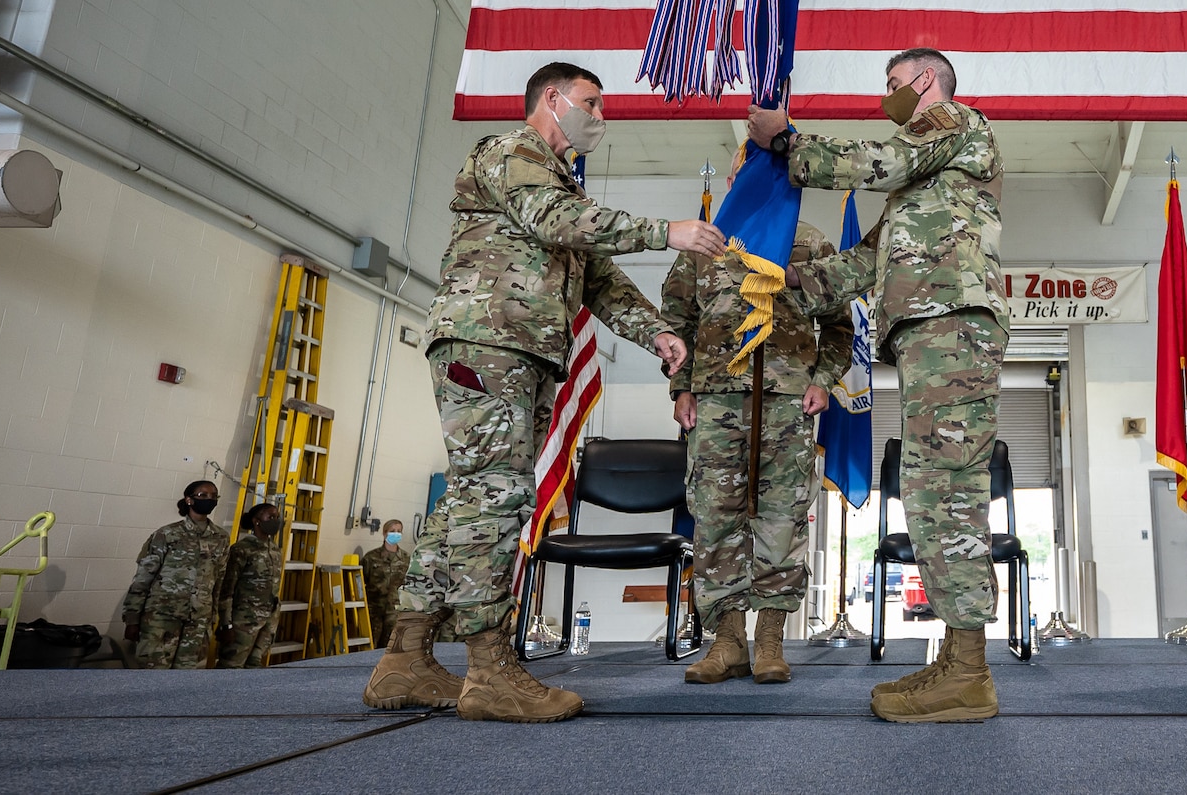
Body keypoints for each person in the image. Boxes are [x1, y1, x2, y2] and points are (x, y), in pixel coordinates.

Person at [363, 61, 722, 724]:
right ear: (552, 99)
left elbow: (603, 284)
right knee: (498, 496)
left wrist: (661, 336)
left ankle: (405, 657)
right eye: (592, 104)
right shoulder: (513, 152)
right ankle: (491, 667)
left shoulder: (562, 186)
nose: (601, 119)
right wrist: (664, 231)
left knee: (469, 498)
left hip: (519, 350)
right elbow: (553, 217)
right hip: (487, 339)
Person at [747, 47, 1007, 724]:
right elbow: (864, 262)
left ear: (925, 82)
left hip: (952, 325)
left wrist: (790, 142)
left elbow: (878, 160)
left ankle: (971, 671)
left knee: (948, 491)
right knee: (929, 490)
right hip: (930, 332)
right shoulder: (925, 185)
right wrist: (791, 282)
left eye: (893, 85)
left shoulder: (954, 122)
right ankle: (957, 657)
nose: (887, 96)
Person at [665, 218, 854, 686]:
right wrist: (681, 388)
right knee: (714, 517)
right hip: (714, 398)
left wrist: (823, 379)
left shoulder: (809, 240)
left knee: (782, 517)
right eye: (741, 170)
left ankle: (771, 639)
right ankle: (728, 642)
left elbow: (839, 324)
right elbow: (677, 320)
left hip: (788, 399)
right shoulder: (702, 241)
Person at [120, 480, 229, 669]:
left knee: (187, 678)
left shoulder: (221, 537)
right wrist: (132, 619)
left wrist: (217, 619)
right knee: (153, 672)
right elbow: (143, 579)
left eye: (213, 496)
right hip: (162, 618)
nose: (209, 499)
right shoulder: (167, 534)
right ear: (189, 500)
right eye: (203, 495)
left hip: (198, 620)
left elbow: (219, 581)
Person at [217, 504, 285, 668]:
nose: (275, 521)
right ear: (256, 521)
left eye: (277, 517)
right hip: (243, 621)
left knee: (254, 667)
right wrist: (226, 624)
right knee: (230, 667)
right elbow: (226, 589)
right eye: (270, 517)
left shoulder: (275, 550)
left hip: (268, 619)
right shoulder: (242, 549)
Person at [360, 519, 410, 649]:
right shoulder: (371, 557)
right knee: (370, 644)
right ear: (384, 533)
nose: (396, 534)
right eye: (392, 531)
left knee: (390, 646)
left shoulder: (406, 558)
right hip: (374, 610)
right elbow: (361, 583)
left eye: (399, 531)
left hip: (394, 611)